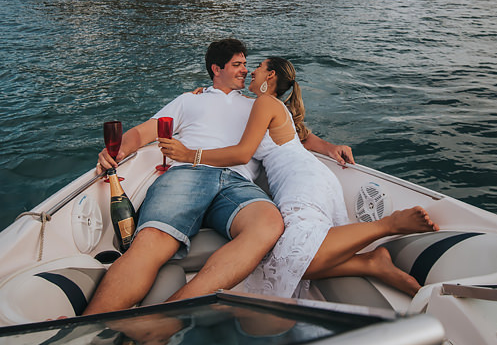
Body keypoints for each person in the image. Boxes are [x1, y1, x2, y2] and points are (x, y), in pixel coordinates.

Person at [160, 57, 439, 298]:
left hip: (299, 180)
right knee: (278, 257)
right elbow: (299, 137)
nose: (251, 71)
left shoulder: (264, 103)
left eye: (257, 66)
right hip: (308, 175)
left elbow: (244, 153)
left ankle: (389, 225)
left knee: (288, 256)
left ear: (270, 76)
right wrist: (205, 94)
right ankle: (368, 263)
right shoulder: (265, 105)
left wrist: (190, 155)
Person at [82, 39, 284, 315]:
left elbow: (294, 136)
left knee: (268, 223)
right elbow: (144, 132)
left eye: (247, 65)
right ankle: (86, 330)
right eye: (237, 65)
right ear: (216, 69)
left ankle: (169, 314)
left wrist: (331, 149)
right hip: (188, 173)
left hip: (237, 181)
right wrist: (116, 151)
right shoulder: (189, 100)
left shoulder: (259, 106)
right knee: (151, 241)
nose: (245, 71)